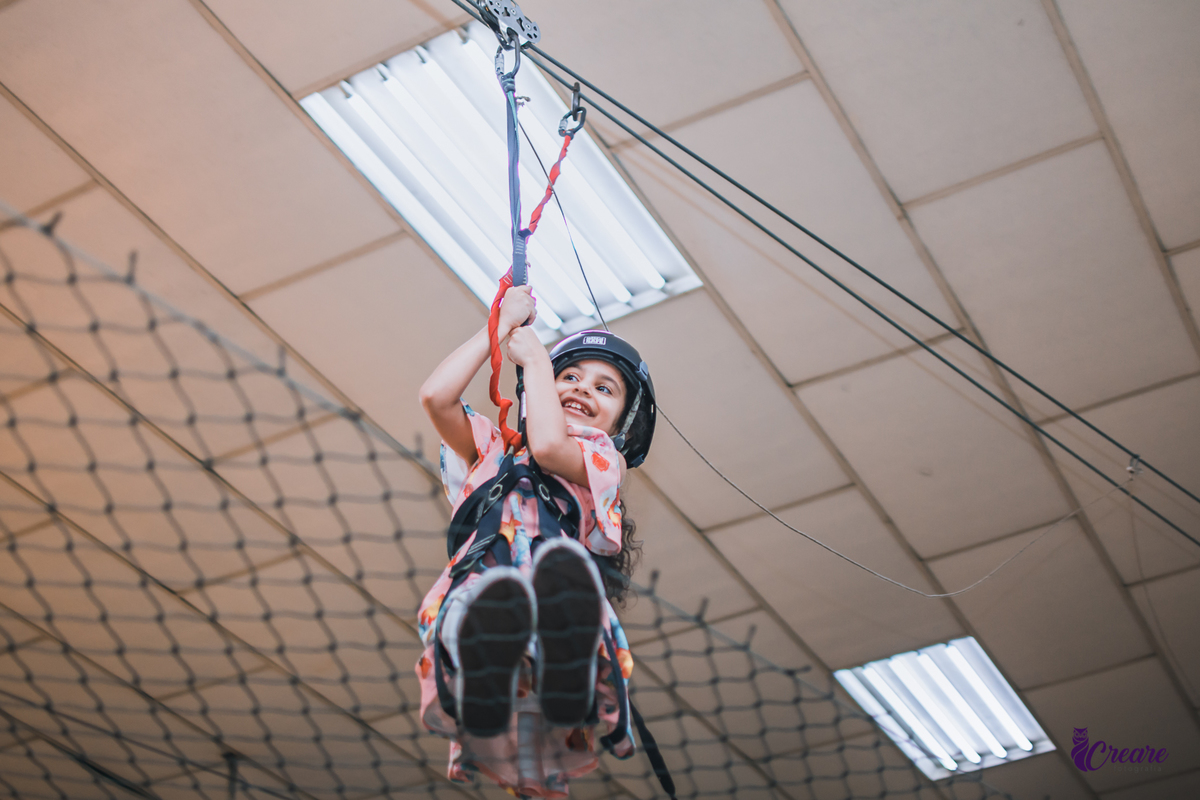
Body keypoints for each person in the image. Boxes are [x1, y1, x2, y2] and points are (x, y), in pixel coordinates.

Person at [414, 284, 656, 797]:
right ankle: (488, 676)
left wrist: (541, 365)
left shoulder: (601, 462)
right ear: (537, 389)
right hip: (483, 591)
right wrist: (497, 329)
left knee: (561, 570)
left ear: (620, 426)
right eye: (571, 376)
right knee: (482, 605)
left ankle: (561, 674)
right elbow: (437, 397)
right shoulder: (495, 450)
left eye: (604, 388)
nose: (582, 390)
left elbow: (549, 446)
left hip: (554, 598)